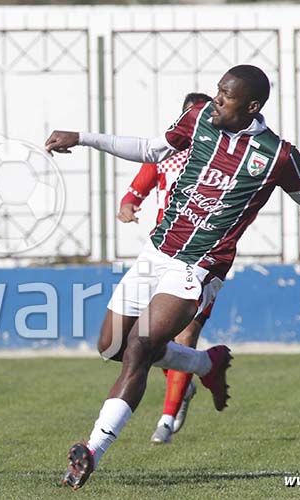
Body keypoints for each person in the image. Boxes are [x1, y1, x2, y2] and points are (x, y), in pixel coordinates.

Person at [45, 64, 300, 490]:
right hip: (157, 251)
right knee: (110, 346)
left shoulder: (277, 155)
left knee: (141, 346)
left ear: (251, 106)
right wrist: (83, 138)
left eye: (226, 94)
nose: (216, 99)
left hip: (199, 266)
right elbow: (151, 148)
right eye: (217, 90)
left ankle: (90, 451)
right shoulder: (198, 117)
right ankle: (206, 363)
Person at [117, 92, 214, 445]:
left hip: (202, 260)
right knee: (143, 339)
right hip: (160, 257)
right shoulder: (166, 153)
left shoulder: (222, 162)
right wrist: (128, 207)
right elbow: (134, 193)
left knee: (185, 336)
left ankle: (167, 419)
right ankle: (186, 379)